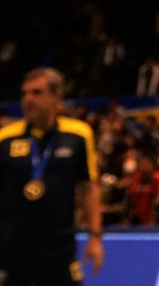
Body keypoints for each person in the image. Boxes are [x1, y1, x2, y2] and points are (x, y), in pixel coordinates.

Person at [0, 68, 103, 286]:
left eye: (37, 93)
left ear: (57, 96)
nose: (28, 99)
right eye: (24, 94)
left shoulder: (79, 135)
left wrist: (95, 236)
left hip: (59, 251)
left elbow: (89, 187)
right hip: (10, 251)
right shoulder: (5, 138)